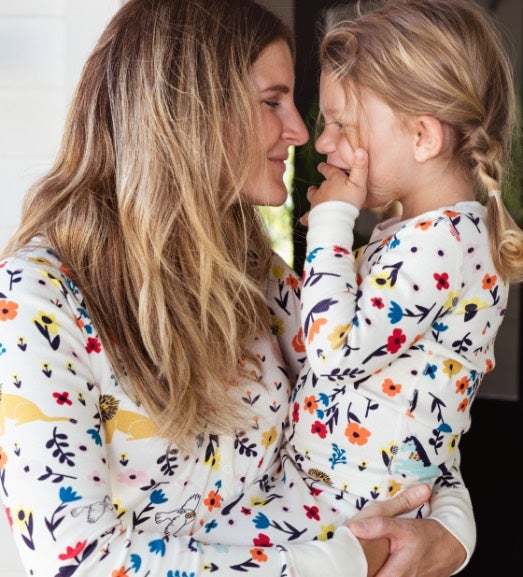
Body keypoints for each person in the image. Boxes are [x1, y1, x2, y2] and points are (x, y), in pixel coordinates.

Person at [0, 1, 474, 576]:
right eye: (273, 101)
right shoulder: (34, 298)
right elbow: (80, 563)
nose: (301, 132)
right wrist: (347, 560)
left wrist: (451, 529)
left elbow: (394, 402)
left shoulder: (252, 271)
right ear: (187, 112)